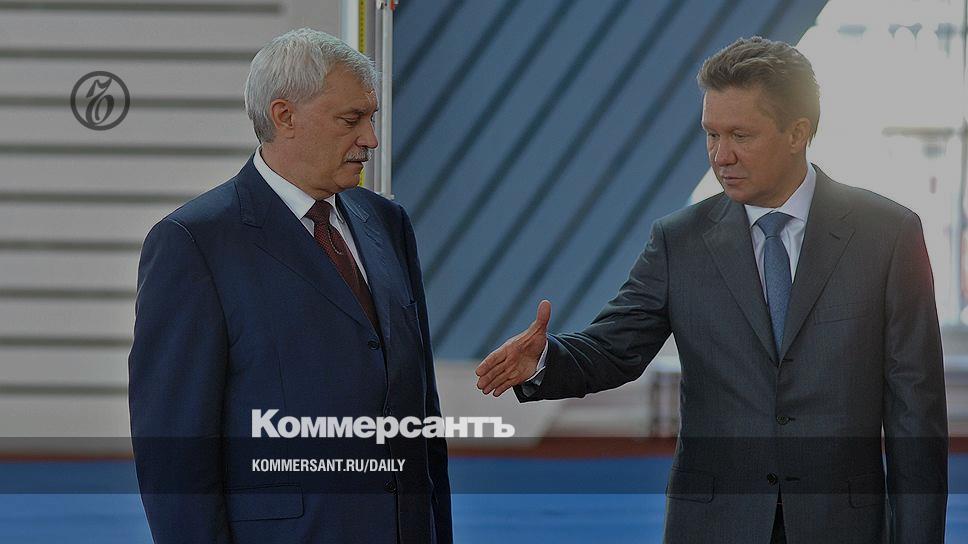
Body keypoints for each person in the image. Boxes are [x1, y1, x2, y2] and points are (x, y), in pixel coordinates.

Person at [475, 36, 947, 543]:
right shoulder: (678, 241)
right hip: (713, 525)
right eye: (712, 135)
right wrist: (546, 358)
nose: (722, 156)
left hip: (842, 526)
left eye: (741, 135)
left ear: (798, 133)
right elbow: (614, 349)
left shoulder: (887, 235)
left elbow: (915, 411)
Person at [129, 28, 451, 544]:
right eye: (351, 119)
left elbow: (421, 415)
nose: (371, 139)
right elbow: (175, 458)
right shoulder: (194, 243)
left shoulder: (388, 223)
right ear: (284, 116)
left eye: (371, 118)